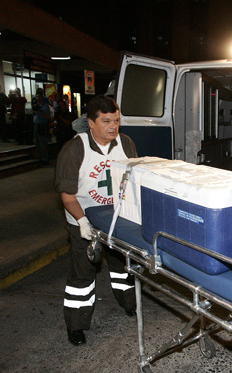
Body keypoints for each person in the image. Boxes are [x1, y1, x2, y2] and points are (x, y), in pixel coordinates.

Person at [54, 95, 138, 346]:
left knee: (123, 268)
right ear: (90, 123)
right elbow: (67, 195)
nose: (113, 127)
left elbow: (133, 180)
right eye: (106, 121)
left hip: (116, 220)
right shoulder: (75, 149)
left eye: (116, 121)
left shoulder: (125, 143)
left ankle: (129, 304)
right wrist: (82, 221)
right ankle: (76, 325)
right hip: (83, 219)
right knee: (82, 275)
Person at [33, 93, 51, 164]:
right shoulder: (37, 105)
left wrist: (39, 112)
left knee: (42, 142)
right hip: (36, 124)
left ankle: (45, 158)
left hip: (42, 125)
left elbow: (47, 116)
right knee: (37, 142)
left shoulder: (45, 106)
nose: (37, 98)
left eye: (39, 97)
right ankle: (40, 157)